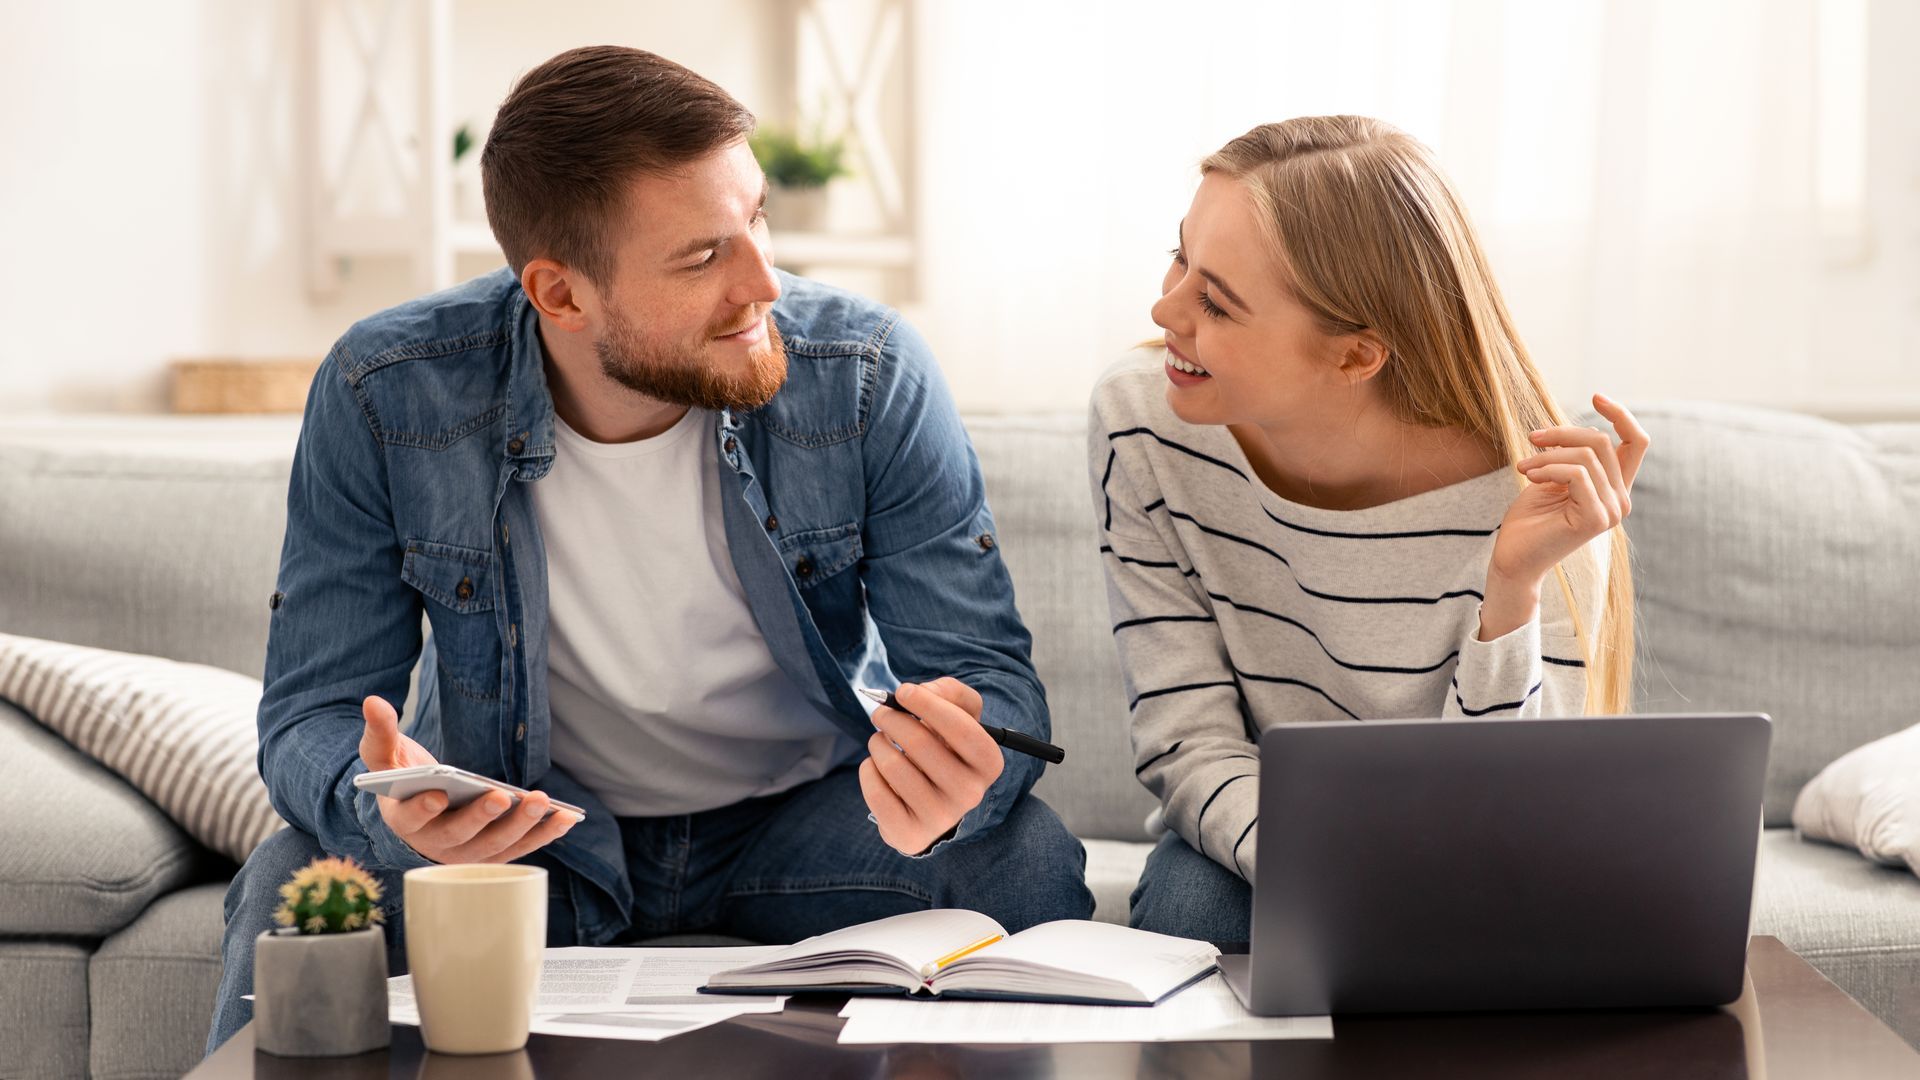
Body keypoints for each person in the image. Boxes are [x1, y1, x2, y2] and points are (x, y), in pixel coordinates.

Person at [207, 45, 1090, 1055]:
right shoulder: (387, 389)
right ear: (562, 294)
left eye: (756, 216)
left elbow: (992, 686)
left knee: (1022, 859)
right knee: (294, 890)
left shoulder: (865, 371)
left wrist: (961, 769)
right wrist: (388, 811)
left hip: (808, 827)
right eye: (704, 255)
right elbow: (308, 715)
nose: (764, 282)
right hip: (529, 840)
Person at [1090, 116, 1648, 943]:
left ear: (1356, 357)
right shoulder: (1146, 419)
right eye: (1180, 257)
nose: (1164, 308)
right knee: (1193, 906)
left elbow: (1520, 819)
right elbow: (1188, 742)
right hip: (1265, 838)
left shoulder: (1547, 489)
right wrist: (1334, 871)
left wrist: (1512, 590)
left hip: (1477, 861)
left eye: (1216, 300)